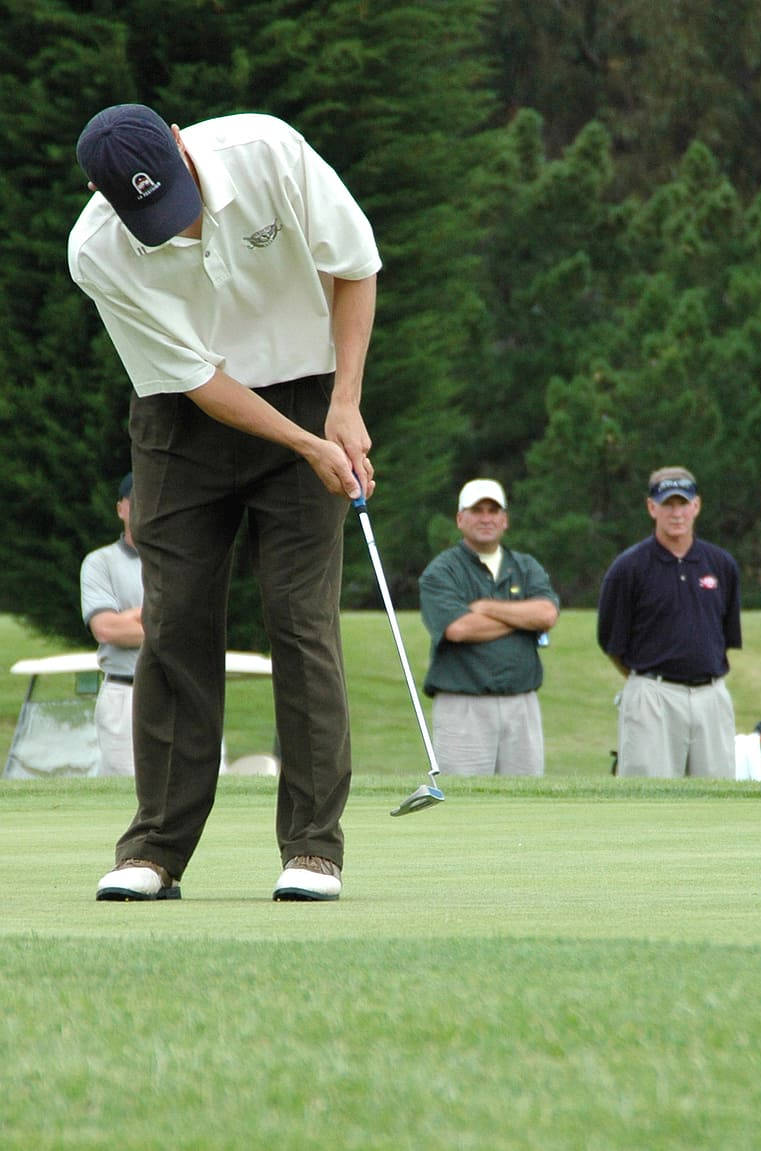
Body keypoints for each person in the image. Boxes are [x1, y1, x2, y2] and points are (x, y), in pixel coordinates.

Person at [68, 103, 381, 902]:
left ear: (180, 144)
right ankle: (155, 850)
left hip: (309, 385)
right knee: (174, 620)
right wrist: (307, 445)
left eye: (172, 200)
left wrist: (341, 408)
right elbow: (203, 382)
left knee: (299, 619)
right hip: (186, 416)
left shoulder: (268, 150)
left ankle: (314, 848)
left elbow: (354, 264)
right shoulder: (96, 250)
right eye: (148, 218)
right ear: (106, 199)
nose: (173, 231)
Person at [597, 466, 742, 778]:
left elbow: (723, 637)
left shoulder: (721, 565)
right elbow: (612, 644)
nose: (676, 513)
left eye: (683, 503)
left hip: (711, 695)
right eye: (667, 504)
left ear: (696, 506)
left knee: (717, 800)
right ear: (652, 507)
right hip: (653, 695)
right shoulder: (628, 568)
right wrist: (651, 679)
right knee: (646, 801)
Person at [418, 479, 560, 776]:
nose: (486, 518)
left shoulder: (526, 565)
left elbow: (546, 614)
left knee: (526, 805)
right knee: (464, 807)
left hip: (522, 704)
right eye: (476, 510)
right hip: (463, 707)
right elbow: (458, 628)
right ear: (460, 519)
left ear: (504, 519)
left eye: (493, 511)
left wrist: (485, 607)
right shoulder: (441, 571)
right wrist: (521, 620)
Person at [79, 472, 143, 777]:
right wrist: (158, 620)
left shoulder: (178, 564)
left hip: (176, 690)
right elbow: (106, 629)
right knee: (125, 784)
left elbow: (189, 631)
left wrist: (132, 616)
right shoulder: (100, 562)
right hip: (124, 692)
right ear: (121, 508)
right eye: (135, 501)